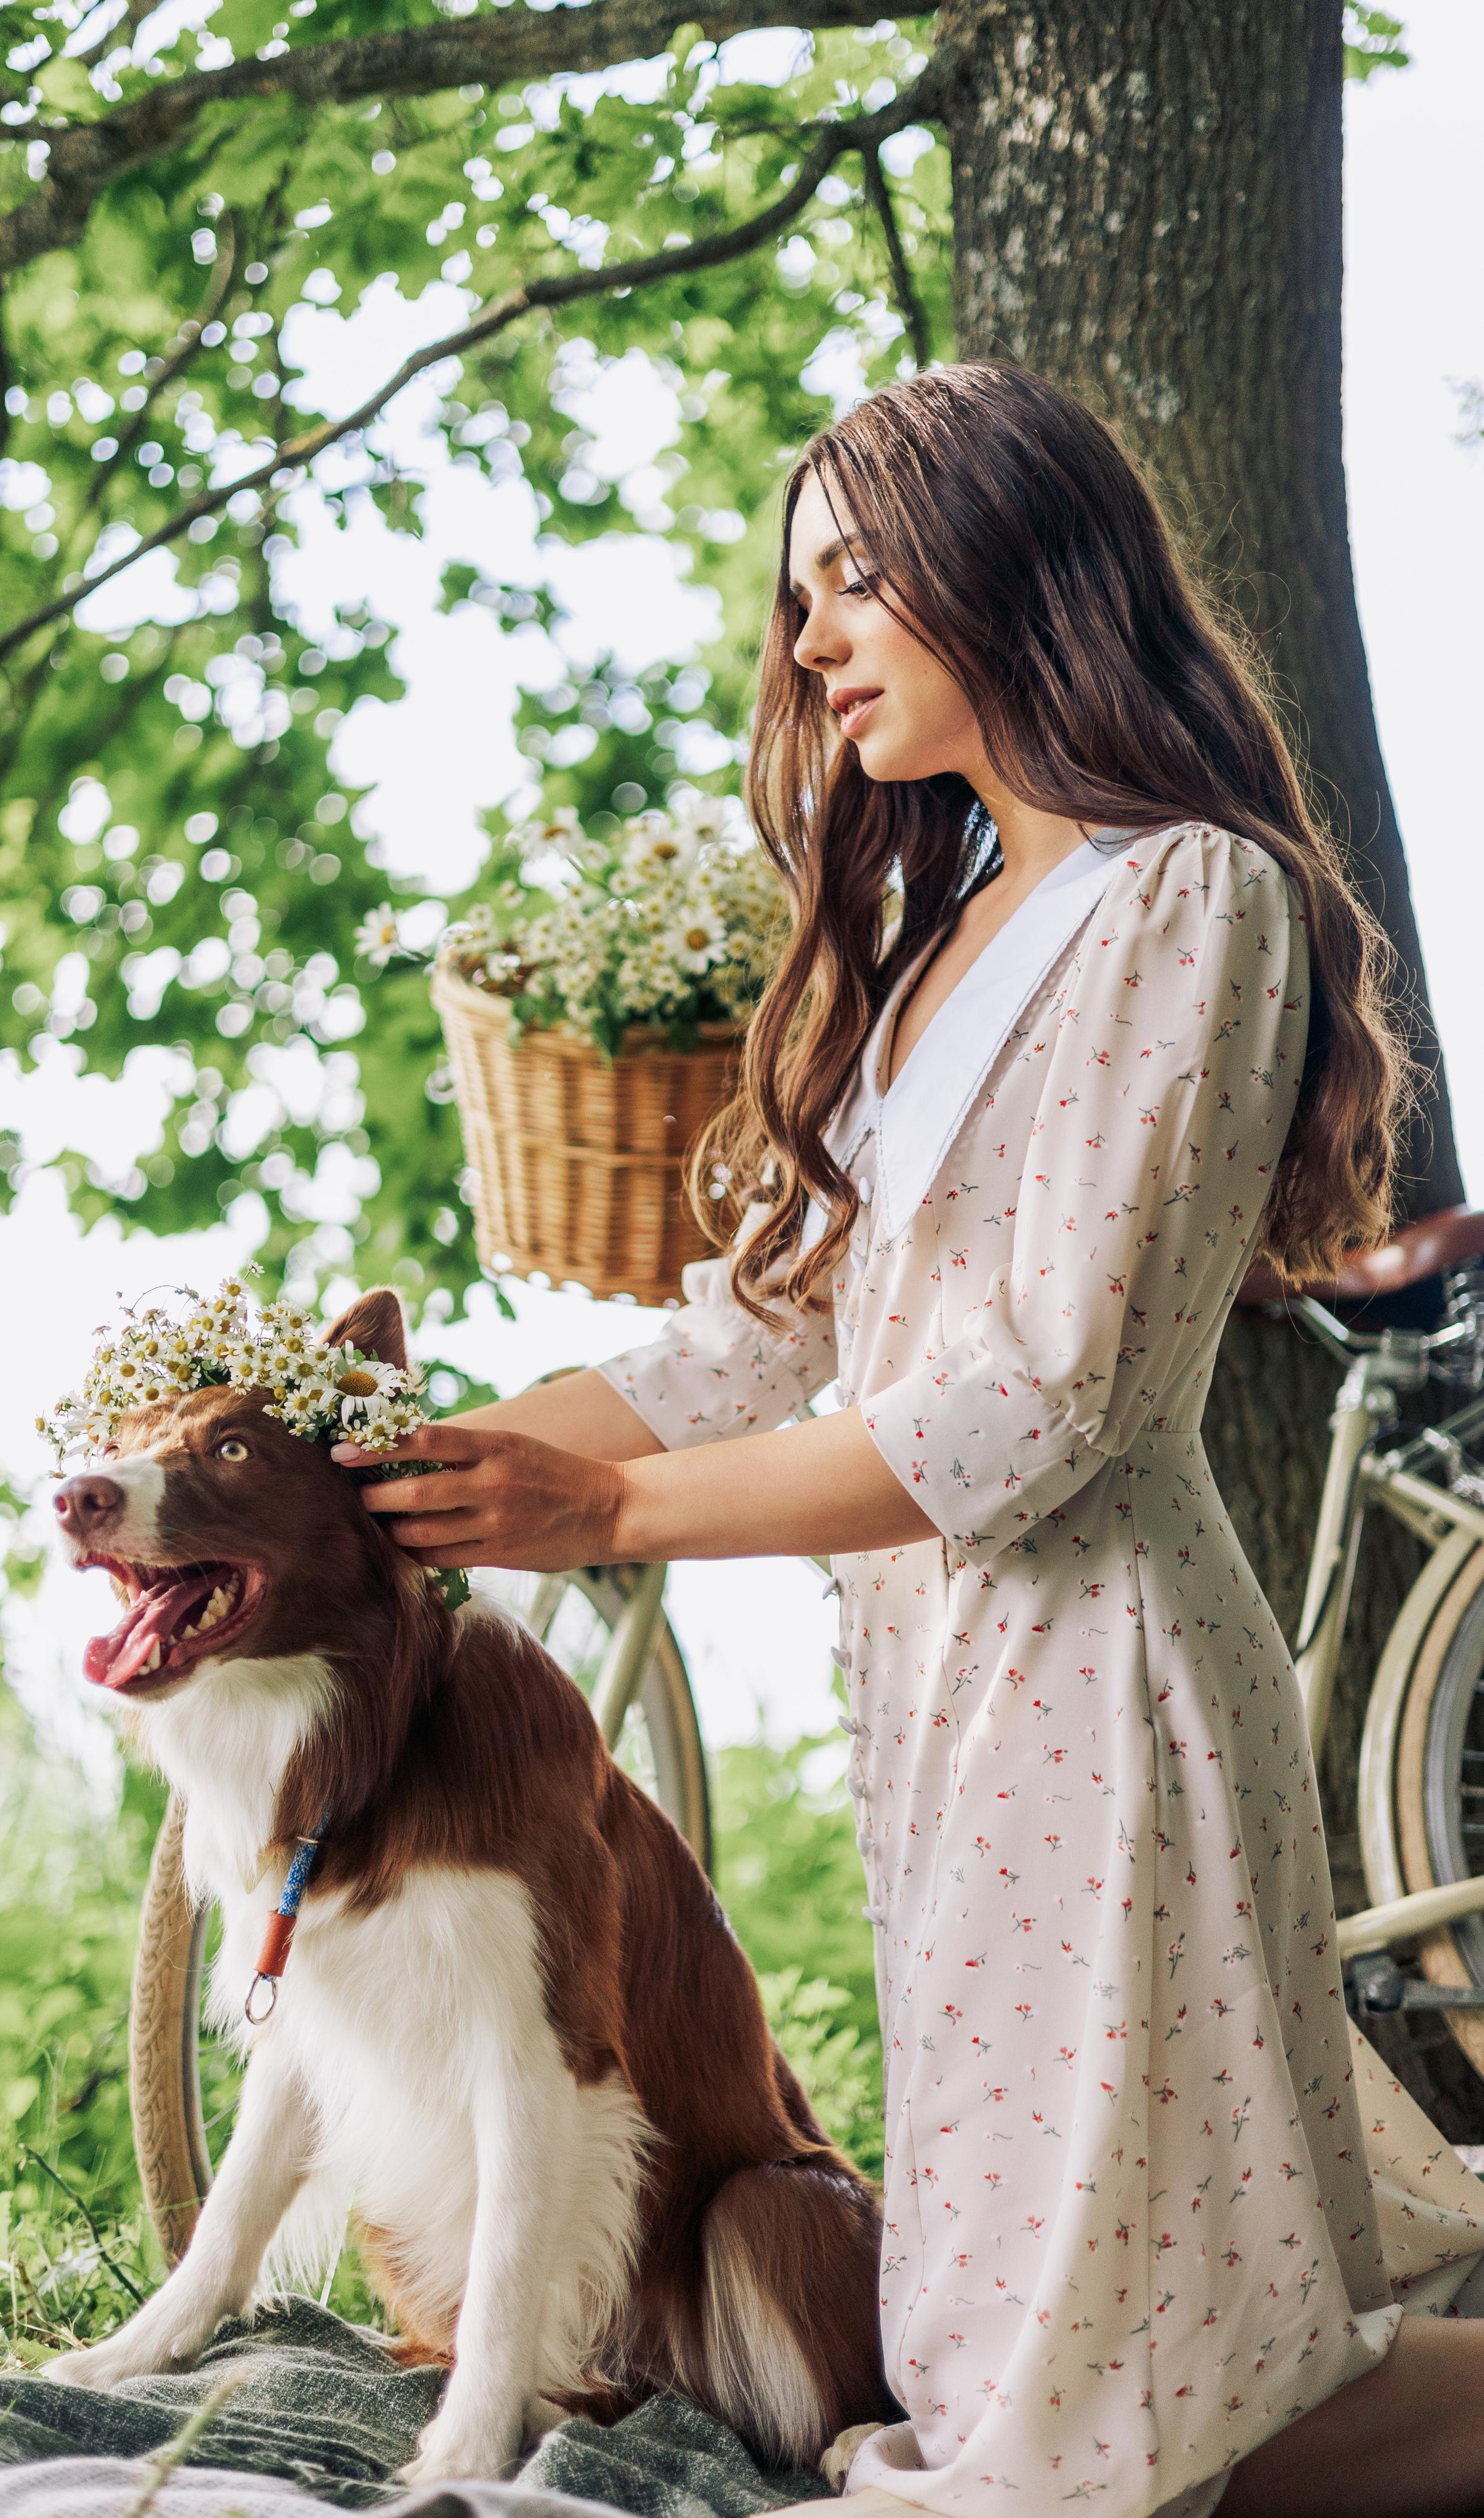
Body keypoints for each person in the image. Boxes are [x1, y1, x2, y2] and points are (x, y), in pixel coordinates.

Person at [336, 365, 1484, 2518]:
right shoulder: (932, 937)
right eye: (802, 601)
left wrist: (603, 1516)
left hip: (1105, 1696)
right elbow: (750, 1344)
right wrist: (433, 1473)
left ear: (1018, 566)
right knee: (1139, 2375)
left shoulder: (1187, 901)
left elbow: (1038, 1403)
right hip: (943, 1713)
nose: (814, 643)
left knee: (1086, 2415)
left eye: (859, 580)